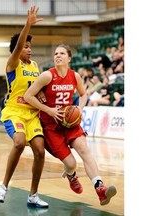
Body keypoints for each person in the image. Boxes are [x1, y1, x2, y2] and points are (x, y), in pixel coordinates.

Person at [24, 44, 117, 206]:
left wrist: (79, 109)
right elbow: (28, 96)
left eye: (61, 53)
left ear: (69, 58)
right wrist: (49, 110)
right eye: (55, 53)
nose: (57, 56)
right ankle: (71, 174)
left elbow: (83, 94)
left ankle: (100, 189)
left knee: (84, 150)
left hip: (70, 122)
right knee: (71, 163)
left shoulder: (75, 76)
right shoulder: (47, 76)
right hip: (51, 127)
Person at [0, 6, 49, 208]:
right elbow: (17, 48)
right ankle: (3, 187)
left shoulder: (35, 67)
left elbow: (39, 90)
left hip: (32, 114)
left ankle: (33, 195)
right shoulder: (12, 63)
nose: (29, 49)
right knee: (18, 142)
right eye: (26, 46)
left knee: (40, 152)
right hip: (14, 112)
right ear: (18, 48)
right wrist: (28, 24)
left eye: (30, 46)